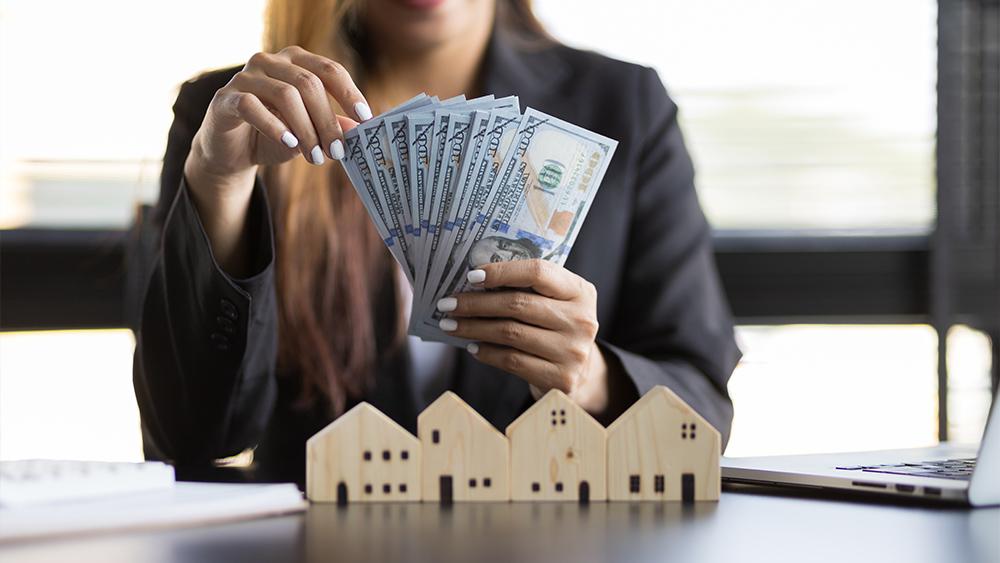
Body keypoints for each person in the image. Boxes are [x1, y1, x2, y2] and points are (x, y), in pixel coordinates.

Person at [133, 0, 741, 486]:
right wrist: (220, 180)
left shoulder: (623, 105)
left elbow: (704, 410)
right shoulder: (231, 115)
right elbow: (189, 439)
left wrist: (591, 379)